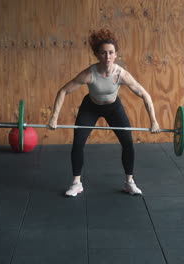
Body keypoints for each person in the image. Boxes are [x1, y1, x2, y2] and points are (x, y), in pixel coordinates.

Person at [48, 29, 160, 197]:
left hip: (114, 108)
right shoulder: (89, 74)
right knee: (78, 143)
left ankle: (129, 182)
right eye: (103, 53)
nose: (107, 57)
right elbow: (63, 91)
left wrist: (154, 121)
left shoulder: (121, 75)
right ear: (97, 55)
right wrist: (54, 117)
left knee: (128, 143)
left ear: (116, 55)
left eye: (111, 53)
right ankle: (76, 183)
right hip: (90, 107)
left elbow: (144, 94)